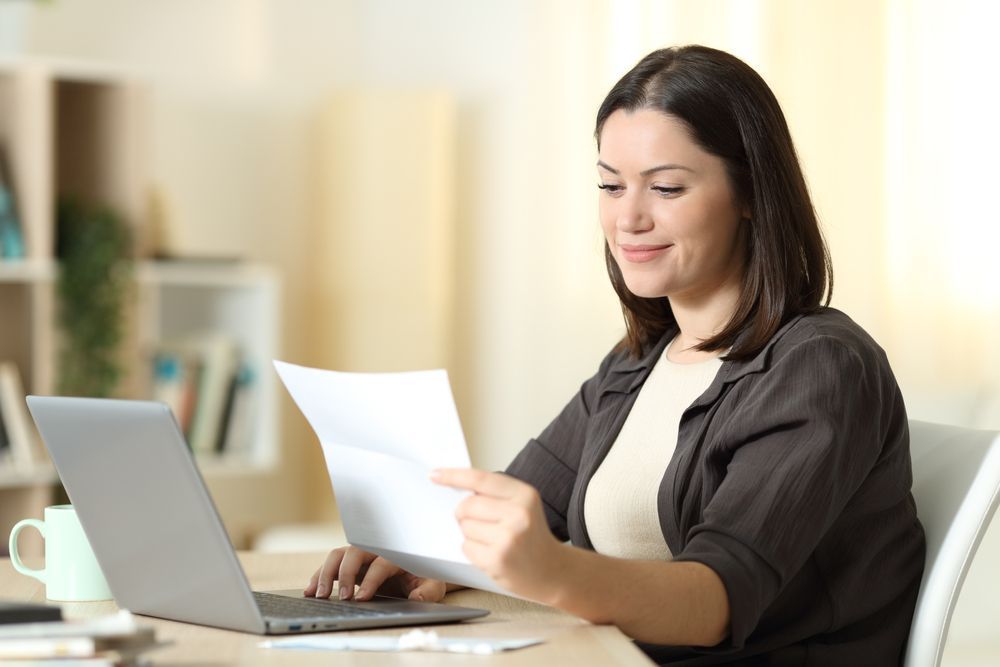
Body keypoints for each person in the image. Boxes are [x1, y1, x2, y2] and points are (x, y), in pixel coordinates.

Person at [305, 45, 925, 665]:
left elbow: (715, 602)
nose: (628, 217)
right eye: (610, 185)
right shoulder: (638, 362)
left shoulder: (821, 367)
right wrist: (424, 556)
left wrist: (554, 572)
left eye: (666, 187)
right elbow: (528, 506)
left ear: (749, 192)